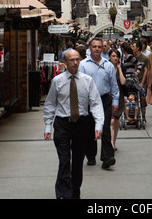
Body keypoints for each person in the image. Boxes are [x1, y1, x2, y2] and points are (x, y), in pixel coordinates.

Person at [43, 49, 104, 199]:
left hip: (82, 124)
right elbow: (50, 104)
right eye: (72, 60)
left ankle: (75, 192)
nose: (76, 63)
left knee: (77, 163)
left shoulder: (87, 80)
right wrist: (47, 125)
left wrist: (98, 125)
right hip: (63, 124)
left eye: (77, 59)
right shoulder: (57, 81)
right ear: (64, 63)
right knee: (64, 161)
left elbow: (96, 103)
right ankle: (63, 194)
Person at [79, 37, 120, 169]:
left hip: (104, 99)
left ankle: (107, 157)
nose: (97, 49)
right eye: (94, 46)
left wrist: (115, 100)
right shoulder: (83, 65)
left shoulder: (108, 65)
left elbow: (114, 84)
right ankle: (91, 156)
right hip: (89, 101)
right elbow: (80, 84)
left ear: (102, 48)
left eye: (99, 47)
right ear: (90, 48)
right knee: (90, 128)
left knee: (106, 127)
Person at [109, 48, 126, 150]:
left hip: (119, 96)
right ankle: (111, 143)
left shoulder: (122, 67)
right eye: (113, 56)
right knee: (111, 121)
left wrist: (119, 68)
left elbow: (123, 82)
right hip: (109, 97)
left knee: (116, 121)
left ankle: (113, 142)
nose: (115, 58)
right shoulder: (106, 67)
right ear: (109, 57)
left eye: (117, 56)